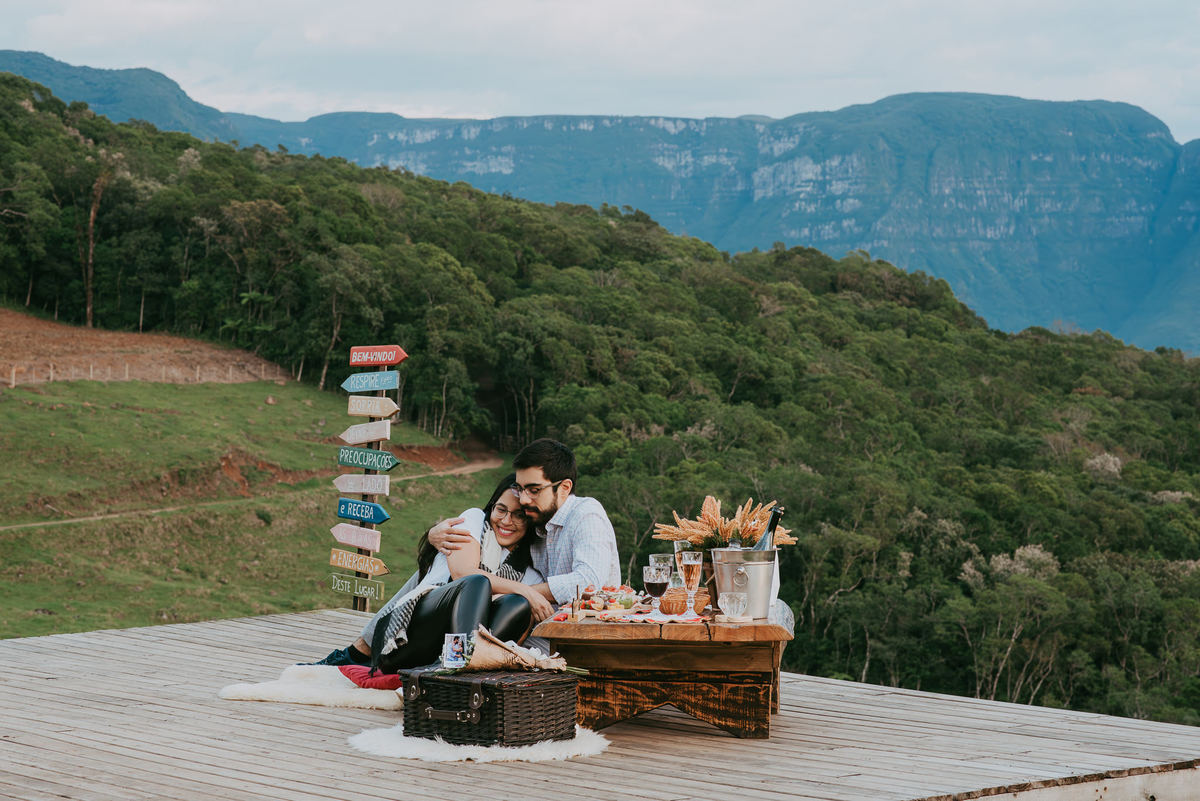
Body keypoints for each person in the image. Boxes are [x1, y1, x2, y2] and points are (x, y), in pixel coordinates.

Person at [306, 473, 553, 672]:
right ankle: (454, 666)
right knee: (476, 583)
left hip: (439, 653)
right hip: (409, 635)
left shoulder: (530, 574)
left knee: (517, 604)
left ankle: (455, 671)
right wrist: (521, 590)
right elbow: (463, 574)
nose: (507, 520)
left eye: (519, 515)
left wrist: (520, 595)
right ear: (492, 508)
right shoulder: (475, 521)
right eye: (501, 510)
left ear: (530, 522)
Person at [428, 439, 621, 611]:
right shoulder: (536, 523)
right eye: (520, 489)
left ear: (564, 488)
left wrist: (524, 592)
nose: (524, 499)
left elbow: (588, 582)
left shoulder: (586, 514)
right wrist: (432, 535)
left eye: (534, 490)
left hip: (590, 632)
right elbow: (494, 526)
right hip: (545, 630)